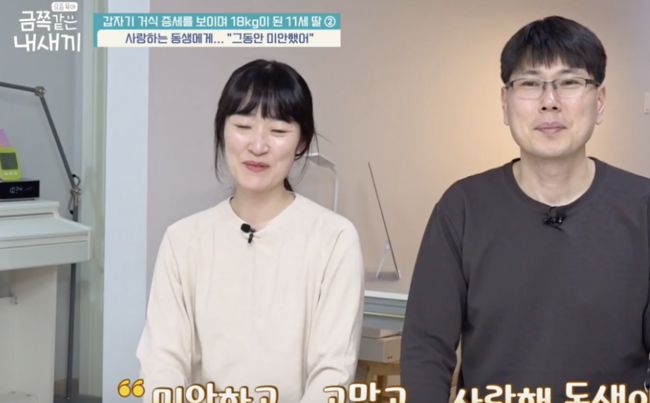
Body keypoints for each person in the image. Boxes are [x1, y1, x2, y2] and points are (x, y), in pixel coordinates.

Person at [401, 16, 650, 402]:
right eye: (530, 84)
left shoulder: (641, 207)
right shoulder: (463, 208)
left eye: (570, 82)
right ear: (505, 103)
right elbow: (426, 349)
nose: (549, 102)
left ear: (600, 101)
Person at [137, 59, 364, 402]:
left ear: (301, 142)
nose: (258, 146)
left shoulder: (334, 239)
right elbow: (162, 363)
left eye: (278, 131)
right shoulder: (183, 240)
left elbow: (332, 372)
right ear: (222, 131)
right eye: (243, 126)